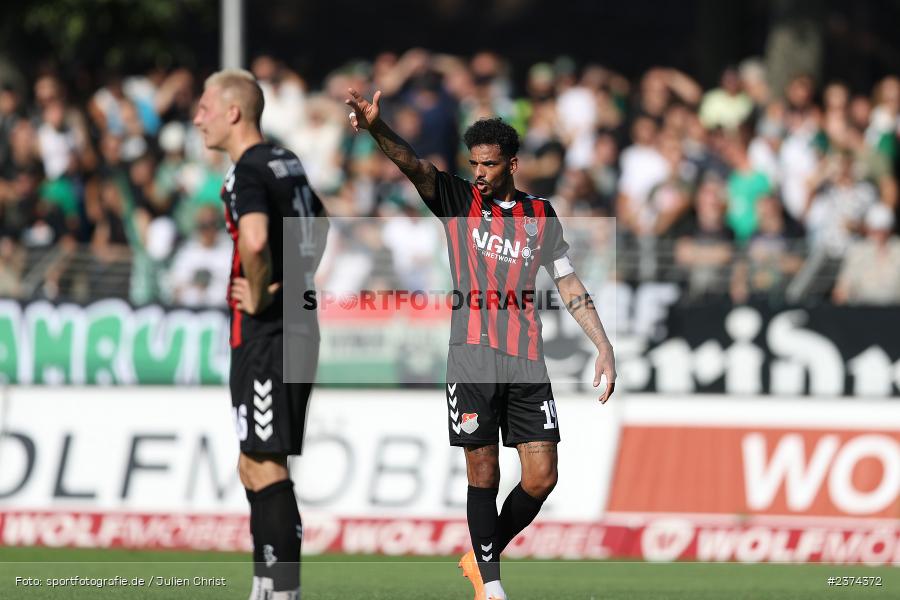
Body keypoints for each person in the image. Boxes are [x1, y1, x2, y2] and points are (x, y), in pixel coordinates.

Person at [346, 88, 616, 600]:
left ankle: (481, 551)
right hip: (470, 355)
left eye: (489, 165)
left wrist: (602, 344)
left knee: (541, 477)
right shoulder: (456, 200)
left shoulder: (540, 214)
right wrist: (379, 128)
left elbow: (569, 281)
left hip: (526, 360)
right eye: (474, 163)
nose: (480, 173)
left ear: (512, 163)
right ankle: (490, 585)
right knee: (483, 470)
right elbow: (412, 164)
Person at [193, 69, 326, 600]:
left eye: (204, 106)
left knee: (265, 462)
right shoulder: (284, 159)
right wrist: (295, 280)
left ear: (232, 112)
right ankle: (265, 584)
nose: (197, 116)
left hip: (269, 332)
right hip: (295, 324)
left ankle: (282, 589)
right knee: (253, 459)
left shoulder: (246, 170)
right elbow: (320, 220)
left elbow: (253, 237)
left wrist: (265, 289)